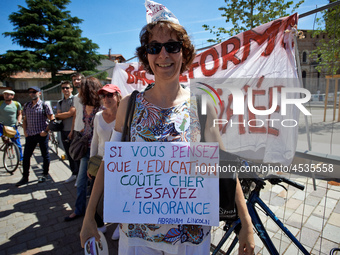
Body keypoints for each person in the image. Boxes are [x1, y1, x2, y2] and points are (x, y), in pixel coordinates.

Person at [80, 17, 255, 255]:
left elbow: (223, 168)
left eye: (172, 46)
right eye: (154, 48)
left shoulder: (202, 105)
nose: (163, 54)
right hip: (137, 236)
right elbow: (110, 163)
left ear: (184, 53)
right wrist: (89, 215)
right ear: (147, 56)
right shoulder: (129, 106)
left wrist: (246, 224)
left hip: (190, 238)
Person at [64, 77, 103, 221]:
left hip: (98, 153)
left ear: (89, 90)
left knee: (96, 187)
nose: (78, 91)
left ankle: (96, 216)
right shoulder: (84, 105)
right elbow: (86, 126)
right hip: (86, 150)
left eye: (81, 88)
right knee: (80, 183)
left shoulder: (102, 107)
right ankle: (79, 210)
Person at [88, 84, 122, 237]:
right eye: (103, 96)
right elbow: (94, 141)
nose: (106, 99)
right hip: (100, 162)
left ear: (118, 96)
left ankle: (119, 225)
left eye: (110, 95)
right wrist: (90, 164)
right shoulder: (97, 116)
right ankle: (100, 223)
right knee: (95, 196)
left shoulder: (126, 116)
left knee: (117, 196)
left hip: (119, 164)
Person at [16, 86, 54, 187]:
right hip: (30, 135)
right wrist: (25, 132)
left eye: (34, 92)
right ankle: (25, 177)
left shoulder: (44, 105)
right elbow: (25, 120)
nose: (32, 93)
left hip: (41, 134)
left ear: (39, 93)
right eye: (30, 92)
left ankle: (45, 174)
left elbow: (52, 119)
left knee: (45, 155)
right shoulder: (27, 106)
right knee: (26, 157)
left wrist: (46, 131)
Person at [55, 81, 77, 183]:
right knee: (68, 153)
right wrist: (67, 114)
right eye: (63, 88)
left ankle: (79, 174)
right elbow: (57, 115)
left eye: (67, 88)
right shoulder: (60, 102)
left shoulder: (75, 99)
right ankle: (74, 173)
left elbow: (72, 113)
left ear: (71, 89)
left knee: (76, 153)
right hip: (63, 130)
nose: (65, 90)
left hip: (73, 130)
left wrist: (66, 114)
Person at [69, 73, 85, 186]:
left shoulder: (88, 95)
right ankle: (80, 178)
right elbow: (76, 114)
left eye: (78, 79)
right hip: (77, 130)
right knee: (77, 155)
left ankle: (83, 181)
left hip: (86, 130)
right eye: (74, 80)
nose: (76, 82)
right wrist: (72, 130)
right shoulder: (75, 97)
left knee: (86, 157)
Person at [0, 89, 23, 162]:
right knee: (4, 139)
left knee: (17, 144)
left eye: (8, 94)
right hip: (1, 126)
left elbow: (19, 114)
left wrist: (19, 121)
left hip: (12, 126)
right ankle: (5, 142)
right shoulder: (0, 103)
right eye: (5, 94)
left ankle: (20, 159)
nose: (6, 96)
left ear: (12, 96)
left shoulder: (16, 104)